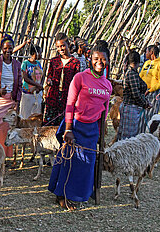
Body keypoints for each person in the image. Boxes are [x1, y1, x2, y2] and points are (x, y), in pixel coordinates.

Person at [48, 42, 112, 210]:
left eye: (103, 59)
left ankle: (79, 194)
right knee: (69, 162)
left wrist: (101, 135)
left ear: (108, 61)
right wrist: (68, 129)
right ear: (90, 59)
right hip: (75, 125)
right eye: (96, 58)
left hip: (92, 130)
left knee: (86, 164)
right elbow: (70, 104)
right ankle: (61, 195)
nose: (99, 62)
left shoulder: (108, 85)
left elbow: (103, 114)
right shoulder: (80, 78)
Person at [43, 33, 80, 125]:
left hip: (67, 96)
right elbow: (49, 75)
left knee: (64, 121)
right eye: (58, 47)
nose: (60, 49)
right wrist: (49, 81)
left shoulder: (75, 62)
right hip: (53, 95)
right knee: (49, 121)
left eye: (63, 46)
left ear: (68, 45)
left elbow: (76, 81)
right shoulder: (54, 61)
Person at [118, 51, 151, 140]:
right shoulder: (132, 74)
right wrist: (145, 104)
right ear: (138, 61)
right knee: (128, 137)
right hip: (130, 108)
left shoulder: (132, 72)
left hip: (131, 107)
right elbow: (135, 94)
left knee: (126, 135)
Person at [139, 44, 160, 126]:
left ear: (151, 52)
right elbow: (140, 76)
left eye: (146, 52)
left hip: (153, 93)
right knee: (141, 115)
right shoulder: (146, 63)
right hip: (143, 92)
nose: (145, 54)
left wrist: (149, 90)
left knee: (150, 115)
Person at [20, 44, 44, 120]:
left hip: (37, 93)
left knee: (36, 116)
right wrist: (37, 85)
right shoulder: (25, 63)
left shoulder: (38, 63)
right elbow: (26, 78)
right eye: (39, 52)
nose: (41, 54)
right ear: (34, 53)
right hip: (28, 93)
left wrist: (40, 86)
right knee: (26, 116)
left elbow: (42, 76)